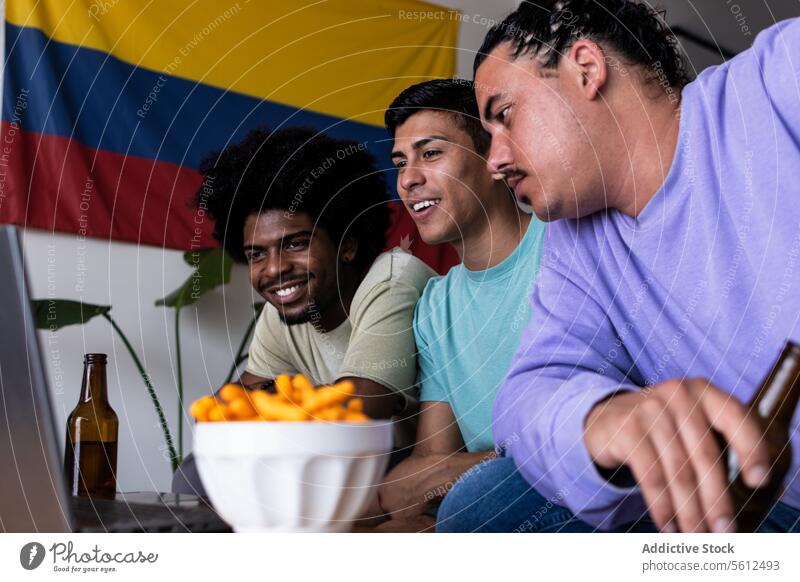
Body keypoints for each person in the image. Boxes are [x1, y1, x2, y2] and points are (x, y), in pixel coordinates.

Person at [438, 0, 800, 533]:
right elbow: (524, 398)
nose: (494, 161)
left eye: (505, 115)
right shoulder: (575, 241)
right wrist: (602, 419)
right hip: (759, 507)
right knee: (482, 505)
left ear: (585, 67)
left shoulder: (773, 83)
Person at [172, 127, 435, 495]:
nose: (274, 269)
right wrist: (264, 402)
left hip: (411, 465)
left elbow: (360, 407)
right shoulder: (287, 306)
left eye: (295, 244)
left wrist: (265, 402)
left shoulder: (392, 281)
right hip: (335, 454)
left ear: (348, 245)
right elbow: (227, 406)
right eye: (256, 254)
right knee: (196, 473)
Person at [376, 79, 546, 531]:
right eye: (400, 162)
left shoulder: (565, 246)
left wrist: (465, 472)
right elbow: (409, 480)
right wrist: (490, 465)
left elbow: (590, 446)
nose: (408, 178)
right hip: (489, 512)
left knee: (473, 502)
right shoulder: (436, 306)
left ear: (493, 158)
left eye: (430, 153)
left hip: (589, 503)